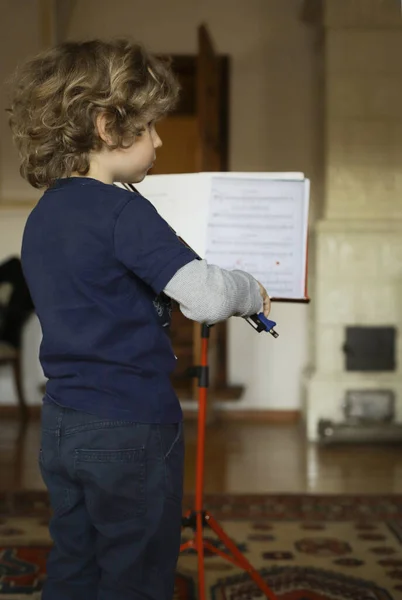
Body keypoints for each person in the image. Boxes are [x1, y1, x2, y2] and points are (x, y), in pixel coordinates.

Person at [8, 39, 271, 600]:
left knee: (77, 560)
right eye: (149, 126)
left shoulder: (45, 214)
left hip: (63, 423)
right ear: (106, 126)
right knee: (138, 570)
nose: (157, 140)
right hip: (129, 425)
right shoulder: (125, 210)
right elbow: (201, 296)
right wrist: (249, 289)